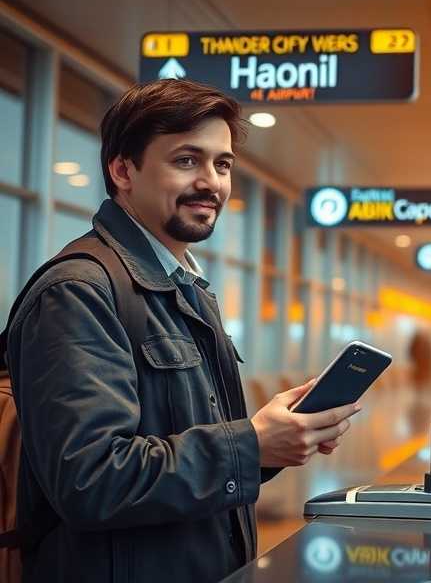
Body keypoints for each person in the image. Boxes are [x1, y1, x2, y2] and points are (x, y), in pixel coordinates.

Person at [6, 79, 360, 582]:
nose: (212, 182)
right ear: (123, 170)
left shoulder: (185, 288)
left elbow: (186, 446)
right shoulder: (78, 292)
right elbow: (90, 481)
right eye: (186, 160)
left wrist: (272, 440)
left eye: (222, 164)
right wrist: (250, 445)